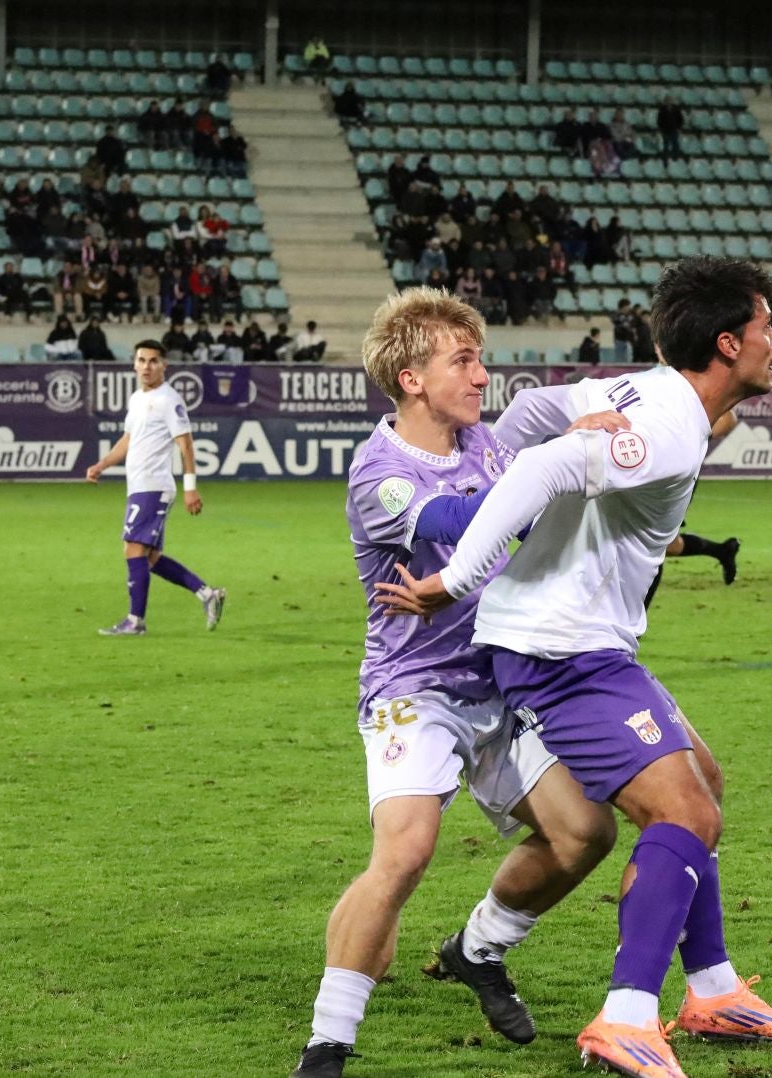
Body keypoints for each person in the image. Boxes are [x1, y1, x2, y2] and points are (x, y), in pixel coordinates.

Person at [372, 257, 772, 1078]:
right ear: (727, 343)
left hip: (583, 641)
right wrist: (455, 579)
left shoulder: (648, 391)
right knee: (684, 813)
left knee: (703, 783)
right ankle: (626, 1017)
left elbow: (537, 411)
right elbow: (543, 465)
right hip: (558, 650)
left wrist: (522, 446)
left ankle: (713, 988)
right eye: (766, 327)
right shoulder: (672, 425)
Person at [291, 289, 623, 1078]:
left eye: (480, 359)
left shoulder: (487, 446)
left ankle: (478, 948)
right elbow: (457, 523)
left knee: (586, 833)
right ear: (411, 380)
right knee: (406, 852)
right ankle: (326, 1048)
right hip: (416, 688)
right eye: (463, 361)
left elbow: (531, 521)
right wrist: (558, 460)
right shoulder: (380, 470)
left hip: (502, 682)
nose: (482, 376)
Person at [84, 343, 227, 636]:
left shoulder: (169, 400)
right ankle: (207, 594)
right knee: (148, 558)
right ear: (134, 364)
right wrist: (102, 464)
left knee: (133, 549)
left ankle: (135, 621)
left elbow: (186, 445)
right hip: (139, 486)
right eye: (142, 360)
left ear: (164, 366)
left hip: (153, 485)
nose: (147, 366)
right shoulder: (137, 398)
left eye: (153, 361)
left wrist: (190, 488)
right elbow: (128, 439)